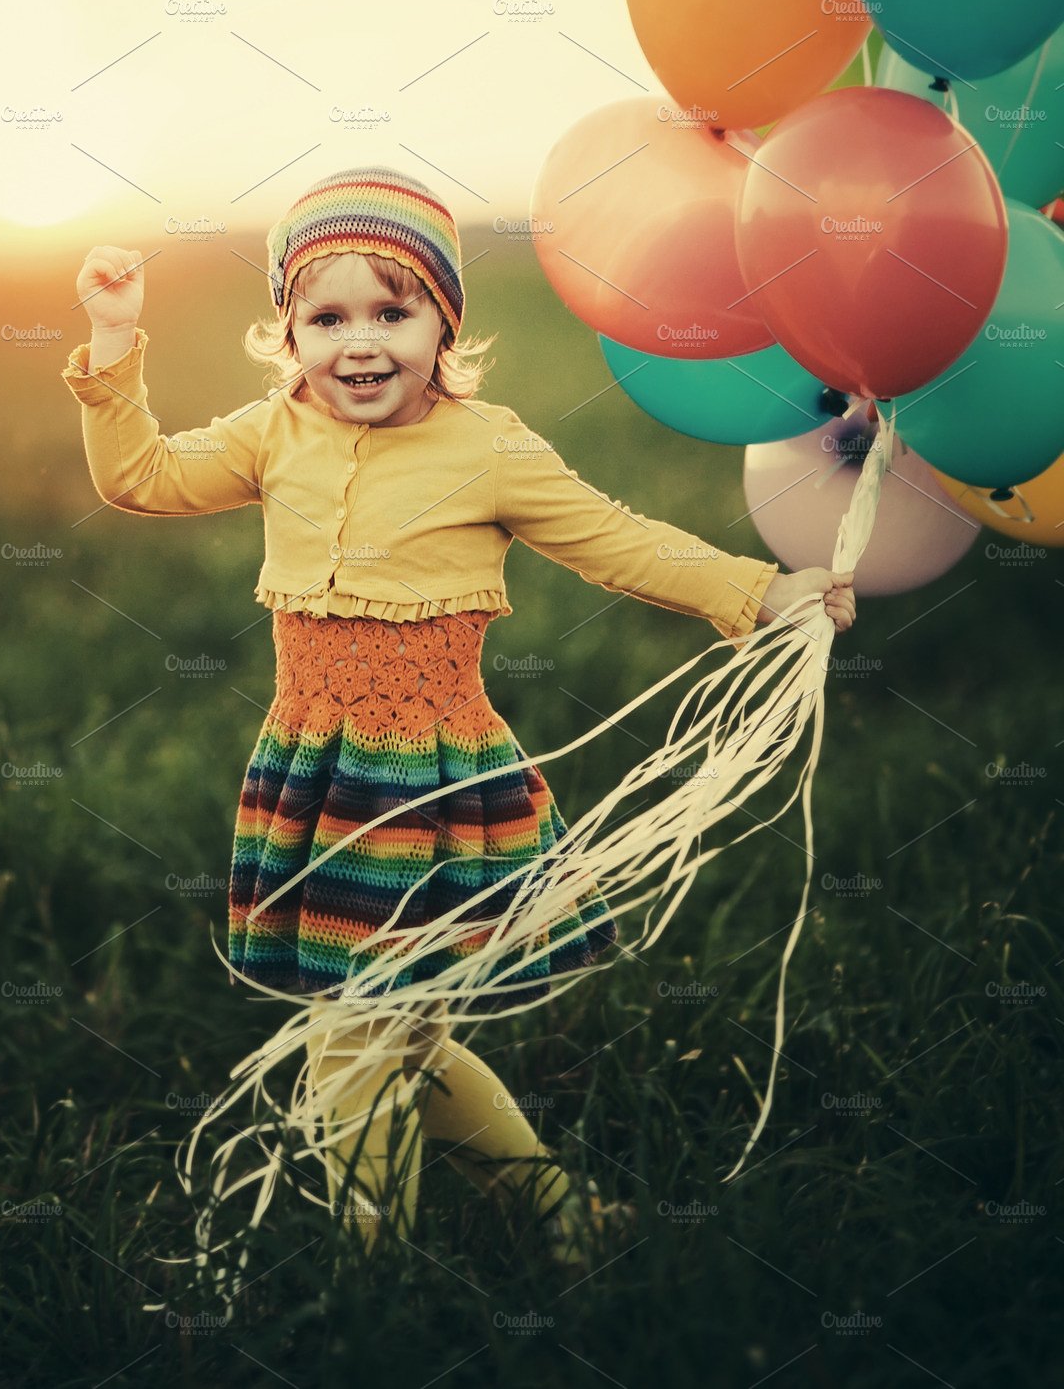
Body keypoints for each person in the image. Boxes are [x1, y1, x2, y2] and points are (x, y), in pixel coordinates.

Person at [62, 166, 856, 1274]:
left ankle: (370, 1270)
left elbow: (614, 536)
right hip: (316, 770)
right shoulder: (271, 432)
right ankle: (562, 1213)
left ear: (444, 321)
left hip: (431, 784)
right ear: (287, 329)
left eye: (393, 309)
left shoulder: (488, 446)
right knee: (401, 1032)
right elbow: (139, 477)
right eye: (326, 315)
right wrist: (112, 343)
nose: (361, 342)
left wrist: (760, 588)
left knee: (357, 1036)